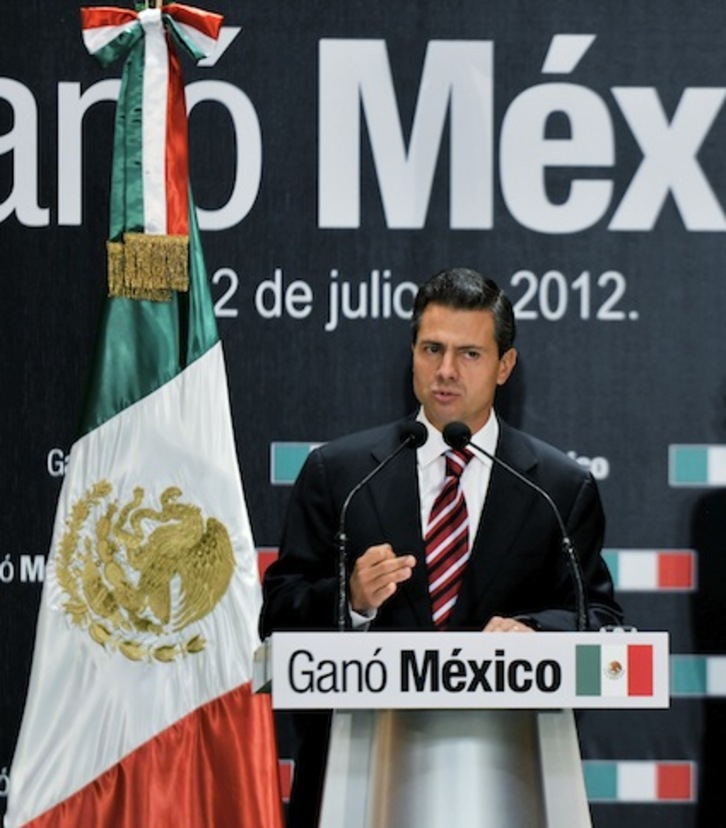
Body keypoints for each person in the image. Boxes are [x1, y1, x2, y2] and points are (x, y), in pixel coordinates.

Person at [260, 267, 622, 826]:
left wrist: (537, 631)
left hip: (509, 784)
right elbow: (278, 614)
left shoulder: (557, 487)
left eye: (469, 354)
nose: (446, 371)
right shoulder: (341, 473)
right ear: (412, 354)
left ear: (505, 366)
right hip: (359, 784)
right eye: (432, 349)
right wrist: (351, 599)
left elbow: (599, 618)